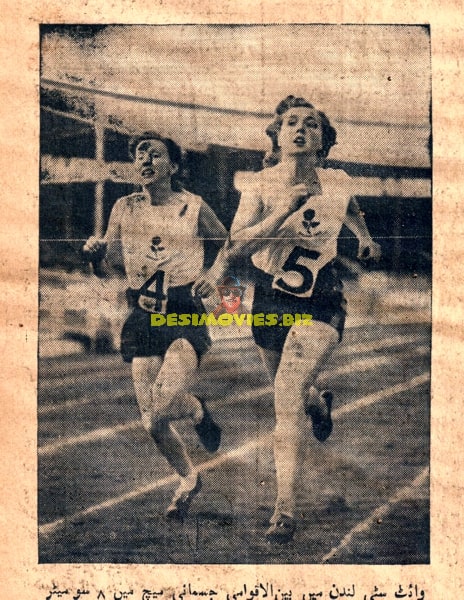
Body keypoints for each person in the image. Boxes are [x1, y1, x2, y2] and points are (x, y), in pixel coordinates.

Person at [227, 95, 381, 543]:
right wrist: (282, 212)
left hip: (322, 299)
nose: (300, 129)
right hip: (270, 300)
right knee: (293, 391)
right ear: (277, 136)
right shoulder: (259, 184)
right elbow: (236, 245)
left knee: (284, 397)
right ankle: (320, 402)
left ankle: (284, 510)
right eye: (291, 122)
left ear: (322, 140)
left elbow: (348, 205)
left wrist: (363, 236)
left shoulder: (338, 179)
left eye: (311, 125)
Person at [83, 132, 227, 520]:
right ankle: (187, 479)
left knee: (164, 403)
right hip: (143, 316)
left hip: (183, 313)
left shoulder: (193, 206)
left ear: (173, 167)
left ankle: (197, 410)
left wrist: (213, 276)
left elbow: (226, 243)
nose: (144, 158)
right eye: (139, 153)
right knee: (152, 421)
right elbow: (108, 267)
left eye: (155, 153)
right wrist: (95, 257)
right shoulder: (123, 208)